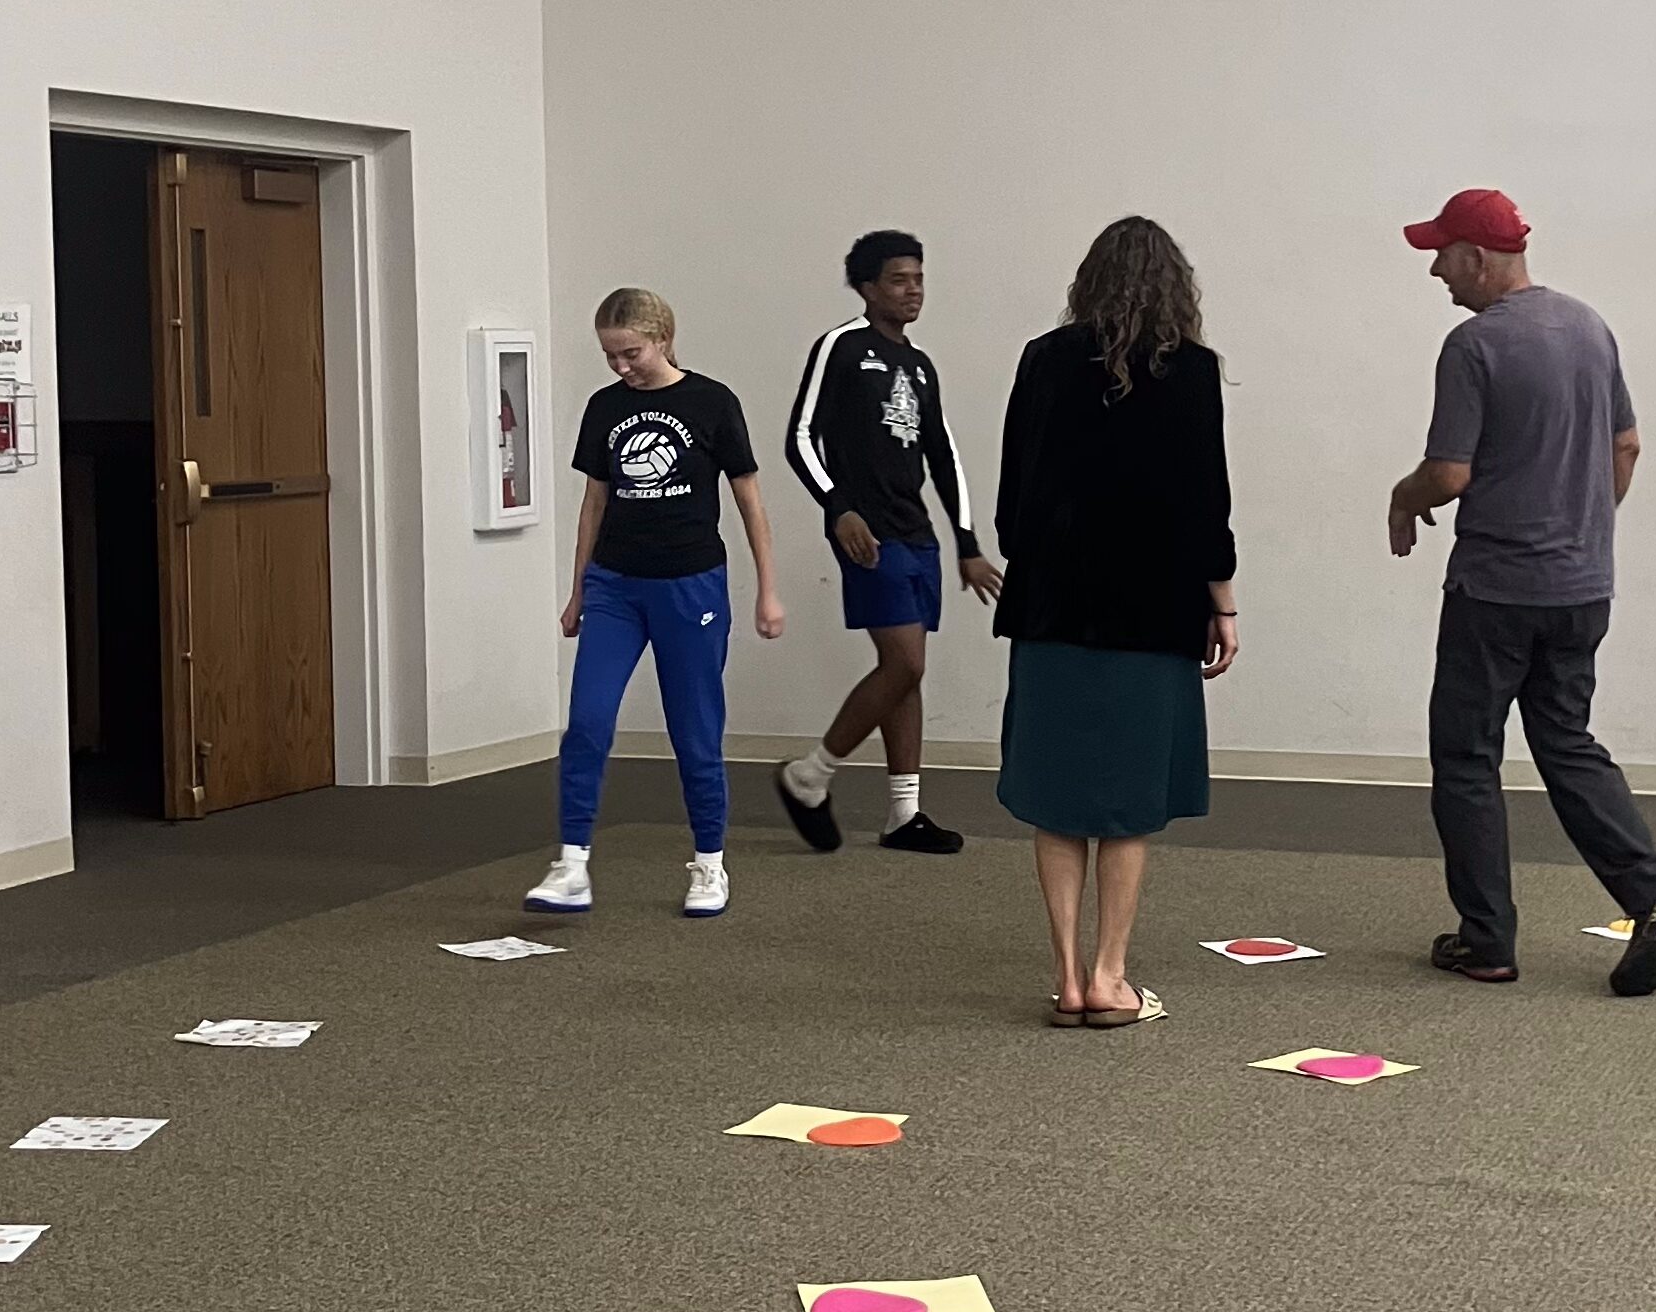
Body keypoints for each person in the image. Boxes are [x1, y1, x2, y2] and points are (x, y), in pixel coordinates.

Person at [1387, 188, 1656, 996]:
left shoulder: (1474, 345)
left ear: (1477, 257)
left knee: (1466, 756)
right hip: (1581, 587)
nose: (1435, 270)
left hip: (1496, 590)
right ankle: (1654, 888)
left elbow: (1449, 473)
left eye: (1442, 254)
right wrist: (1582, 531)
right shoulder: (1589, 327)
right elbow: (1627, 446)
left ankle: (1487, 941)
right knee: (1566, 741)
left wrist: (1402, 497)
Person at [992, 216, 1238, 1029]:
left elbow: (1011, 500)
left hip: (1052, 606)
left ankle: (1066, 978)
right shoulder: (1192, 370)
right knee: (1128, 803)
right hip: (1152, 612)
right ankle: (1110, 977)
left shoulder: (1043, 359)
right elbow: (1207, 504)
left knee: (1058, 799)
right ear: (1177, 288)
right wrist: (1222, 604)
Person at [527, 288, 782, 921]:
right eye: (610, 356)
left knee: (694, 730)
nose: (621, 367)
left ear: (662, 339)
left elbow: (749, 501)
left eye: (631, 353)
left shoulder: (712, 402)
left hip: (690, 586)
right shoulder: (605, 407)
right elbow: (594, 504)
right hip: (615, 586)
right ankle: (572, 864)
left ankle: (709, 863)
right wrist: (578, 590)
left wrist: (768, 589)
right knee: (588, 722)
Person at [777, 231, 1002, 853]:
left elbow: (943, 453)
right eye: (900, 280)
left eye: (919, 279)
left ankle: (904, 814)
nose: (913, 291)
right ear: (868, 287)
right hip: (868, 535)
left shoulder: (921, 365)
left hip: (917, 533)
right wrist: (839, 508)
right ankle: (809, 775)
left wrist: (966, 542)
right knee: (905, 663)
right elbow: (800, 437)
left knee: (905, 673)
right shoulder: (842, 346)